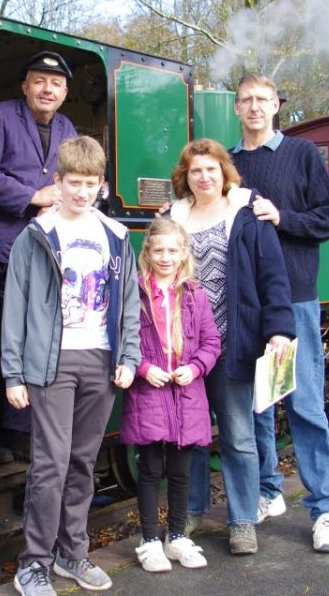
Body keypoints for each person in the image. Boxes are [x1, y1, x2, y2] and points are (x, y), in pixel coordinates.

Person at [1, 136, 141, 596]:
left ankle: (72, 554)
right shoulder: (36, 237)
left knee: (83, 460)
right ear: (56, 182)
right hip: (51, 364)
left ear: (101, 185)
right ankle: (33, 563)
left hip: (101, 360)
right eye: (73, 183)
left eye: (89, 184)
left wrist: (127, 356)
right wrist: (14, 372)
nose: (81, 192)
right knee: (50, 464)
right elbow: (15, 307)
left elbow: (129, 305)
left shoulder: (117, 237)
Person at [229, 74, 329, 553]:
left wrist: (284, 218)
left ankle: (327, 509)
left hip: (295, 297)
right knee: (257, 406)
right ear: (236, 108)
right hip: (245, 302)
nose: (255, 107)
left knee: (304, 405)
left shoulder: (301, 155)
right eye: (247, 101)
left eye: (263, 100)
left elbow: (328, 220)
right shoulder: (230, 164)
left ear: (276, 105)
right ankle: (267, 490)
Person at [168, 138, 295, 556]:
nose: (203, 177)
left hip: (234, 343)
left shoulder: (248, 214)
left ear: (225, 172)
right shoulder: (175, 218)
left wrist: (278, 328)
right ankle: (191, 510)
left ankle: (242, 520)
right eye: (195, 171)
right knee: (191, 436)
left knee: (239, 436)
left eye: (211, 169)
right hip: (186, 347)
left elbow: (273, 275)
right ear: (185, 178)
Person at [0, 51, 78, 452]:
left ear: (64, 92)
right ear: (25, 86)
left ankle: (31, 430)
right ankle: (12, 432)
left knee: (44, 338)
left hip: (54, 249)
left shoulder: (67, 127)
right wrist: (32, 196)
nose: (47, 89)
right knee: (14, 338)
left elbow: (80, 171)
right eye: (39, 81)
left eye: (55, 83)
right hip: (7, 248)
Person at [121, 218, 220, 573]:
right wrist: (145, 369)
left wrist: (194, 369)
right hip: (149, 393)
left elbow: (211, 342)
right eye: (158, 250)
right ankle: (149, 540)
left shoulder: (195, 293)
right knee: (148, 469)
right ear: (147, 251)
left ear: (183, 254)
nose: (165, 257)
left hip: (187, 395)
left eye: (172, 251)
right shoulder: (134, 292)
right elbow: (122, 339)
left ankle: (176, 535)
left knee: (181, 471)